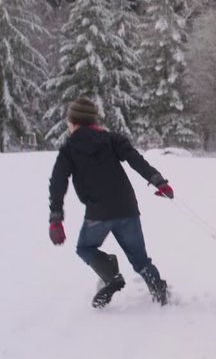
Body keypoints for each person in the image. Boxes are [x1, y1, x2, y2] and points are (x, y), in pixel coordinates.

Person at [48, 96, 174, 309]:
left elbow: (58, 183)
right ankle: (159, 291)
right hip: (127, 209)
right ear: (93, 121)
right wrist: (158, 181)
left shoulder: (69, 148)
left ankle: (111, 276)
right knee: (141, 260)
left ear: (74, 122)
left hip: (98, 214)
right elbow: (135, 159)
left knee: (85, 248)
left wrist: (56, 219)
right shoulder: (111, 139)